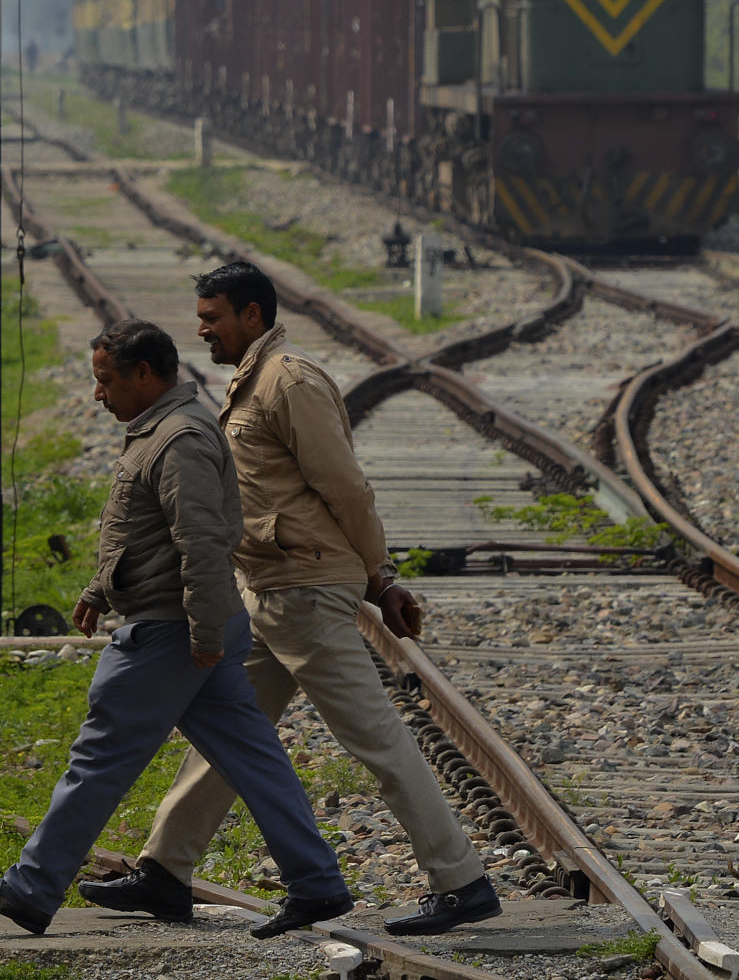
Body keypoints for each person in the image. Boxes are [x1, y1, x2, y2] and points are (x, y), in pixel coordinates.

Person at [80, 261, 500, 937]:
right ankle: (165, 869)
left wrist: (381, 576)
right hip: (269, 590)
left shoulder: (290, 380)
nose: (201, 327)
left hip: (304, 587)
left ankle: (461, 879)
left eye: (213, 315)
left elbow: (346, 488)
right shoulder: (252, 380)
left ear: (252, 315)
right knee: (225, 731)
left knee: (377, 738)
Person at [0, 320, 352, 940]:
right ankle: (318, 882)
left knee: (100, 756)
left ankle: (31, 889)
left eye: (105, 381)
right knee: (254, 757)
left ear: (144, 374)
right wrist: (97, 590)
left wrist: (207, 636)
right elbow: (147, 533)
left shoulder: (180, 439)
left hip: (172, 634)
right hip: (190, 628)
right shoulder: (161, 430)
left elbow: (202, 544)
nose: (97, 394)